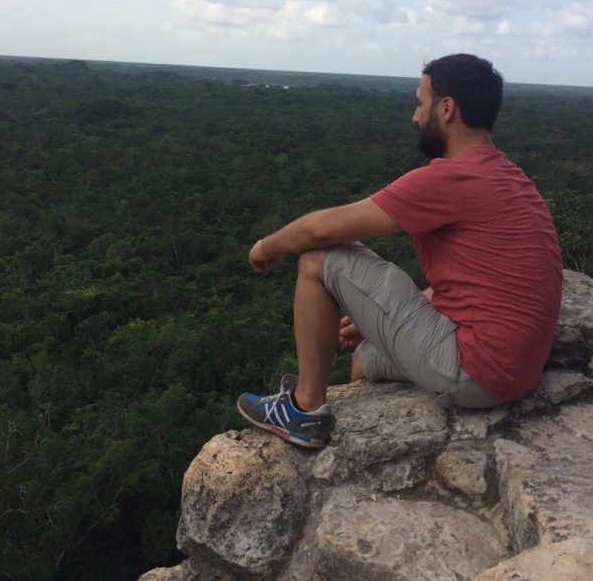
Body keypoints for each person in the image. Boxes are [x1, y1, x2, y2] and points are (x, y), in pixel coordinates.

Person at [237, 53, 563, 448]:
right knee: (364, 359)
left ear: (446, 109)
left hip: (475, 369)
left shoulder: (451, 178)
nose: (414, 116)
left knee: (318, 258)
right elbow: (481, 282)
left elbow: (318, 229)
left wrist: (264, 246)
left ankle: (304, 411)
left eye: (419, 103)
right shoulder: (511, 177)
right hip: (515, 371)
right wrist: (376, 317)